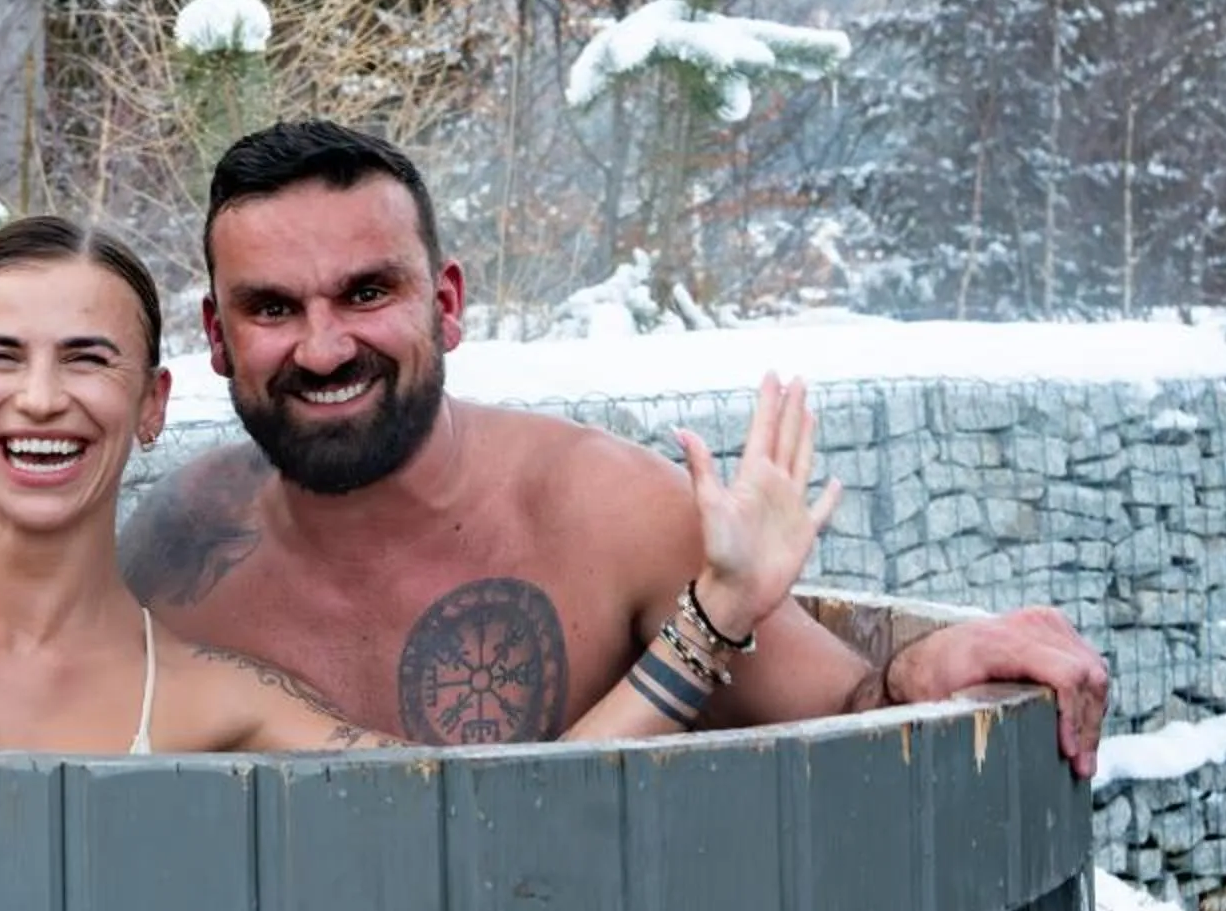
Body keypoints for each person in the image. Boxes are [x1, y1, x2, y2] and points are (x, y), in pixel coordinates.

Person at [0, 107, 843, 753]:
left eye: (87, 359)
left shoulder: (203, 689)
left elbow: (477, 830)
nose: (41, 397)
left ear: (154, 399)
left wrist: (713, 622)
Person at [118, 119, 1114, 774]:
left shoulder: (603, 510)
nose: (325, 346)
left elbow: (847, 720)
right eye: (273, 308)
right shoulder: (174, 550)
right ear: (217, 336)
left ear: (448, 304)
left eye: (367, 292)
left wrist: (929, 671)